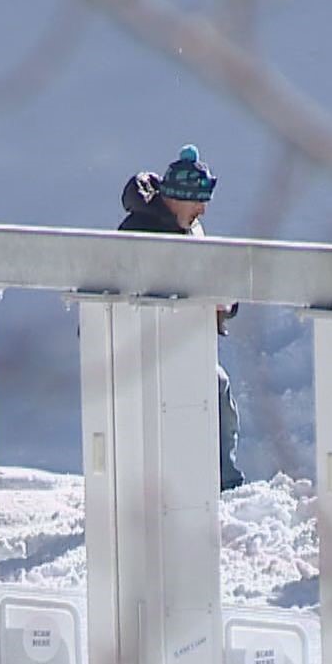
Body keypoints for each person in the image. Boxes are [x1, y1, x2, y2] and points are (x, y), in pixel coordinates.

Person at [119, 143, 246, 491]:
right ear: (177, 197)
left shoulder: (189, 229)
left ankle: (221, 478)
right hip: (142, 347)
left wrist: (224, 304)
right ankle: (208, 481)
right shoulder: (140, 233)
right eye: (198, 201)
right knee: (202, 394)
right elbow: (138, 291)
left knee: (216, 392)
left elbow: (209, 278)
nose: (203, 209)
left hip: (183, 343)